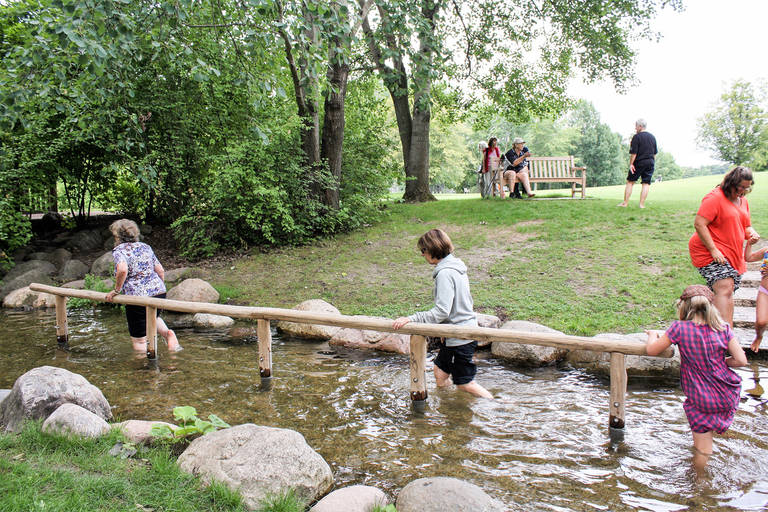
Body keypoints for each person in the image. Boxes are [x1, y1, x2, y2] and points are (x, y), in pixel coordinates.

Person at [646, 284, 747, 474]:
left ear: (684, 306)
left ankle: (700, 485)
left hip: (700, 396)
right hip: (725, 393)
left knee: (702, 449)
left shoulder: (680, 328)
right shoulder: (723, 328)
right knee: (710, 437)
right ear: (711, 307)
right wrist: (720, 361)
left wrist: (652, 335)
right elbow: (741, 360)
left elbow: (652, 350)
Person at [392, 229, 493, 399]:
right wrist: (444, 330)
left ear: (432, 250)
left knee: (466, 383)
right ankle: (450, 408)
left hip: (461, 336)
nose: (423, 256)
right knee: (440, 373)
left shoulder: (445, 273)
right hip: (453, 332)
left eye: (423, 251)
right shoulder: (456, 267)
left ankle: (496, 407)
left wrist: (411, 318)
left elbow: (442, 311)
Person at [688, 166, 760, 327]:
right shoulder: (715, 197)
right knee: (724, 288)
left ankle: (726, 333)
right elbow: (699, 224)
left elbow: (745, 225)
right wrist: (713, 249)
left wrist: (752, 233)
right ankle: (721, 336)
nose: (742, 190)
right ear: (730, 182)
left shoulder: (743, 201)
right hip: (707, 250)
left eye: (746, 187)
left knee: (728, 291)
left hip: (730, 251)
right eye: (740, 186)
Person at [105, 219, 182, 353]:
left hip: (137, 298)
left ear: (117, 236)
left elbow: (122, 270)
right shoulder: (145, 247)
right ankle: (168, 334)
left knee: (140, 339)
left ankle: (145, 369)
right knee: (153, 317)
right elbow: (160, 271)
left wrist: (116, 290)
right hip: (158, 292)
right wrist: (157, 287)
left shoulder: (119, 250)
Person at [618, 119, 657, 208]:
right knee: (646, 183)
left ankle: (625, 203)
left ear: (640, 126)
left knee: (630, 182)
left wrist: (631, 164)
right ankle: (641, 205)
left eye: (636, 126)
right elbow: (654, 153)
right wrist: (652, 163)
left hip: (639, 162)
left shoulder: (637, 137)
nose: (635, 128)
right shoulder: (652, 137)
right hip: (650, 162)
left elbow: (634, 153)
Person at [744, 241, 768, 352]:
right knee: (761, 322)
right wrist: (749, 243)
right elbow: (749, 258)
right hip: (765, 291)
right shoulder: (766, 250)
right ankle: (759, 336)